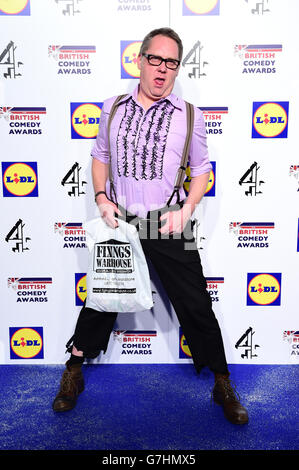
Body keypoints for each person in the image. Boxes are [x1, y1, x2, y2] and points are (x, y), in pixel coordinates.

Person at [52, 27, 248, 425]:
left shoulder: (189, 115)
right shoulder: (113, 108)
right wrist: (103, 198)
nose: (162, 70)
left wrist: (189, 207)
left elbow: (202, 170)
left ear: (178, 69)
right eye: (155, 59)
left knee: (197, 305)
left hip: (167, 222)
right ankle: (73, 370)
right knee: (102, 301)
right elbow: (100, 155)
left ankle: (223, 382)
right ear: (140, 61)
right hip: (121, 220)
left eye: (171, 62)